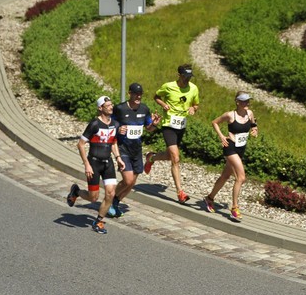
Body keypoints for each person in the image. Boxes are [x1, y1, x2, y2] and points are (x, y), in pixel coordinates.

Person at [66, 96, 125, 234]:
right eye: (108, 105)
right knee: (94, 197)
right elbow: (80, 144)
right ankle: (76, 192)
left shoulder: (115, 124)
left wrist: (118, 158)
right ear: (100, 108)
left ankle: (98, 221)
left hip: (108, 163)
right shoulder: (94, 124)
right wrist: (87, 164)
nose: (111, 107)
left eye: (112, 104)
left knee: (110, 193)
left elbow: (114, 142)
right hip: (94, 163)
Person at [144, 64, 200, 205]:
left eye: (189, 77)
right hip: (168, 125)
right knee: (175, 157)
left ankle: (152, 158)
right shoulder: (168, 86)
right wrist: (163, 104)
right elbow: (156, 96)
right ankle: (180, 192)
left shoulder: (193, 88)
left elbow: (196, 104)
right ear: (179, 75)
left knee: (170, 156)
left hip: (181, 125)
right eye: (185, 76)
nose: (187, 79)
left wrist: (193, 108)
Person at [204, 92, 258, 222]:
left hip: (241, 148)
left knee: (225, 176)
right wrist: (222, 136)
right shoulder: (230, 115)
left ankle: (209, 198)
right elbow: (215, 122)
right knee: (241, 177)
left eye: (248, 101)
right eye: (244, 101)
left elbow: (253, 124)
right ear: (237, 102)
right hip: (230, 147)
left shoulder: (249, 113)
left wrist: (255, 130)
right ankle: (235, 207)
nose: (247, 103)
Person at [109, 83, 161, 218]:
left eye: (140, 94)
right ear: (129, 94)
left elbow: (149, 128)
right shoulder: (120, 109)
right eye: (135, 94)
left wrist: (154, 124)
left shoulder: (144, 109)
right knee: (127, 180)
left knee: (132, 183)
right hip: (123, 148)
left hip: (136, 150)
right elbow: (109, 124)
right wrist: (118, 129)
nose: (138, 96)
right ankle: (109, 199)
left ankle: (115, 201)